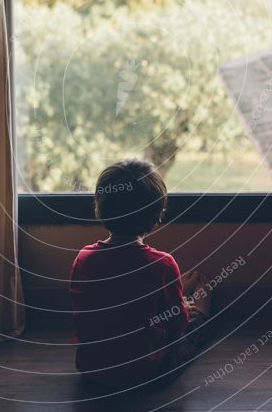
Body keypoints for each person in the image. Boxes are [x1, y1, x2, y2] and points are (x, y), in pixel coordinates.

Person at [70, 158, 214, 389]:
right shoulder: (162, 265)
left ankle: (176, 291)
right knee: (196, 325)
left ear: (101, 207)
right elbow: (176, 328)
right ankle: (200, 309)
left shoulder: (84, 259)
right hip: (146, 375)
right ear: (157, 215)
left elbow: (112, 300)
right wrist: (186, 308)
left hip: (92, 371)